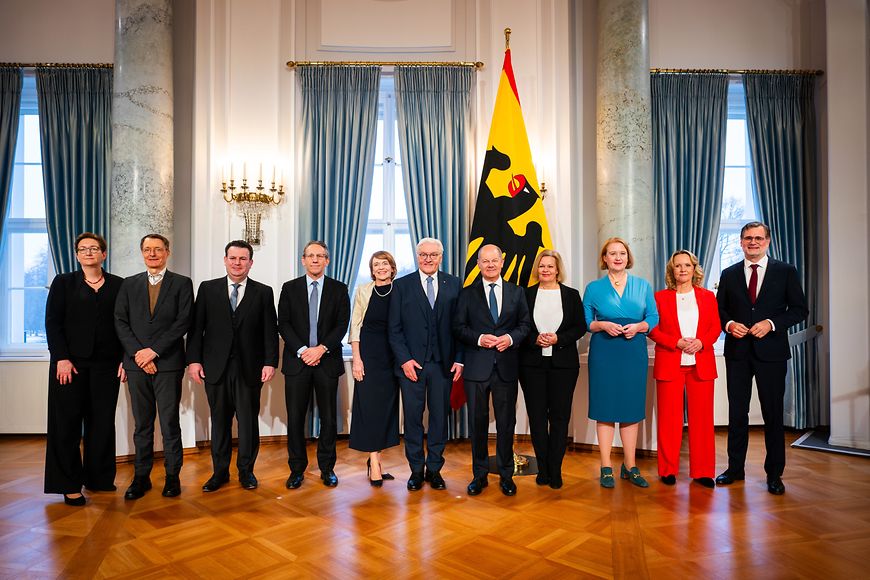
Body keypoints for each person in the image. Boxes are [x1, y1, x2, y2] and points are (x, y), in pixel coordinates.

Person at [715, 222, 808, 495]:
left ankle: (774, 474)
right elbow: (719, 311)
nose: (752, 242)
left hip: (772, 353)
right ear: (741, 242)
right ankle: (735, 469)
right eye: (747, 238)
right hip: (738, 353)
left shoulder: (786, 271)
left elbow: (800, 310)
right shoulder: (729, 274)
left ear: (767, 241)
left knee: (773, 414)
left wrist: (771, 323)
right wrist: (730, 324)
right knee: (737, 413)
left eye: (758, 238)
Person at [186, 240, 278, 492]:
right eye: (233, 258)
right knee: (220, 422)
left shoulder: (263, 292)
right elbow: (196, 330)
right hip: (215, 368)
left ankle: (246, 472)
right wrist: (193, 360)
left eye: (242, 259)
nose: (237, 263)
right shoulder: (207, 289)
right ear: (225, 260)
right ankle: (220, 472)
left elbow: (270, 331)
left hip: (250, 369)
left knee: (248, 423)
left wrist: (270, 362)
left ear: (251, 262)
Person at [44, 233, 125, 506]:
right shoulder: (64, 283)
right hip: (70, 365)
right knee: (65, 424)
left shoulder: (119, 285)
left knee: (101, 423)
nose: (88, 252)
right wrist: (61, 358)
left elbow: (125, 325)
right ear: (77, 255)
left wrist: (125, 358)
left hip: (107, 365)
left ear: (104, 254)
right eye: (83, 249)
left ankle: (99, 478)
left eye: (94, 248)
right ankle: (69, 485)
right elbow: (53, 323)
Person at [115, 233, 194, 500]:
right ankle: (141, 478)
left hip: (168, 363)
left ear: (167, 253)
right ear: (142, 253)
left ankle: (172, 477)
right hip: (136, 364)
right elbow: (120, 322)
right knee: (142, 425)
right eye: (147, 249)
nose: (152, 254)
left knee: (170, 423)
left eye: (157, 249)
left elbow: (183, 322)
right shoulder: (128, 284)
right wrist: (140, 354)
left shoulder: (183, 284)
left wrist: (154, 351)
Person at [454, 244, 530, 497]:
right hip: (476, 368)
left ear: (502, 262)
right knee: (477, 424)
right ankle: (479, 475)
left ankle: (507, 475)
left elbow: (525, 325)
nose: (489, 265)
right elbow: (459, 328)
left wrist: (509, 338)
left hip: (506, 367)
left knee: (506, 424)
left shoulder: (517, 292)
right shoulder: (466, 294)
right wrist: (478, 338)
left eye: (494, 260)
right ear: (478, 264)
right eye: (484, 261)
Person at [388, 238, 463, 492]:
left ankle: (435, 469)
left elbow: (461, 327)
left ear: (441, 257)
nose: (428, 259)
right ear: (417, 256)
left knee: (440, 419)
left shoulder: (454, 284)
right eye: (423, 255)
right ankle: (416, 471)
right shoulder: (401, 286)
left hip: (443, 365)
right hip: (411, 367)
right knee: (413, 420)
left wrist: (459, 359)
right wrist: (405, 360)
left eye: (433, 255)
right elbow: (394, 329)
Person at [583, 237, 658, 488]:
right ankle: (606, 466)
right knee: (604, 409)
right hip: (604, 351)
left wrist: (639, 326)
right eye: (612, 253)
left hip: (633, 351)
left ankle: (630, 465)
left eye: (622, 253)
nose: (617, 257)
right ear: (604, 258)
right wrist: (602, 325)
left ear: (628, 258)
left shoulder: (643, 285)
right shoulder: (593, 288)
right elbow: (586, 322)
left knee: (630, 409)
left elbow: (653, 316)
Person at [278, 241, 350, 489]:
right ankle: (296, 469)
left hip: (327, 361)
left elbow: (342, 325)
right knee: (296, 418)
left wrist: (320, 349)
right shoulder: (289, 288)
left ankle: (327, 468)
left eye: (320, 256)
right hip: (297, 363)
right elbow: (283, 324)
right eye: (311, 256)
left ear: (327, 260)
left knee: (329, 419)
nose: (316, 260)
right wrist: (302, 351)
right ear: (303, 260)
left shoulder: (339, 289)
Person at [648, 250, 720, 488]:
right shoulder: (660, 297)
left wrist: (701, 342)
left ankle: (702, 472)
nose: (682, 269)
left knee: (702, 421)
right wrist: (675, 342)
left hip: (701, 363)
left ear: (694, 268)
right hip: (671, 362)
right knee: (669, 420)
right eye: (677, 266)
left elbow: (715, 328)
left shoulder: (708, 297)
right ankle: (667, 470)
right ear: (672, 270)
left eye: (686, 265)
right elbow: (653, 329)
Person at [518, 249, 587, 490]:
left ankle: (555, 469)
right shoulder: (525, 295)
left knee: (559, 418)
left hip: (563, 366)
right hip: (531, 365)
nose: (545, 270)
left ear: (558, 270)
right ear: (537, 269)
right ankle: (543, 468)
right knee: (537, 418)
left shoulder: (571, 295)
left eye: (550, 266)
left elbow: (580, 326)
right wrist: (534, 339)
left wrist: (559, 338)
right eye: (542, 266)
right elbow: (519, 326)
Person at [349, 251, 400, 486]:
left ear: (392, 268)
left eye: (385, 264)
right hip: (368, 356)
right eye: (376, 264)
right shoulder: (363, 290)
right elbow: (355, 326)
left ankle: (377, 460)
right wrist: (357, 360)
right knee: (369, 408)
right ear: (372, 269)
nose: (381, 267)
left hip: (393, 358)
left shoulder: (400, 290)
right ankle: (374, 462)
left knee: (386, 409)